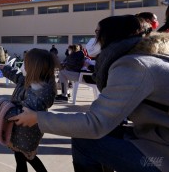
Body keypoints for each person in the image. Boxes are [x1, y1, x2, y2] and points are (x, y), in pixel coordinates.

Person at [9, 15, 169, 171]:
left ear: (111, 36)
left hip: (162, 157)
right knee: (108, 132)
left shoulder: (133, 65)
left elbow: (95, 124)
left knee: (84, 139)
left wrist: (38, 118)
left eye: (97, 33)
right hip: (155, 137)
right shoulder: (146, 58)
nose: (92, 40)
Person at [0, 48, 56, 172]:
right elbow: (17, 77)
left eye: (25, 63)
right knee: (20, 158)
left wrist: (5, 112)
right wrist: (6, 69)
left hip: (27, 133)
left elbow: (23, 113)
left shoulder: (39, 91)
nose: (22, 66)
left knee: (29, 157)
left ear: (34, 68)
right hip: (19, 132)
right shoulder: (29, 80)